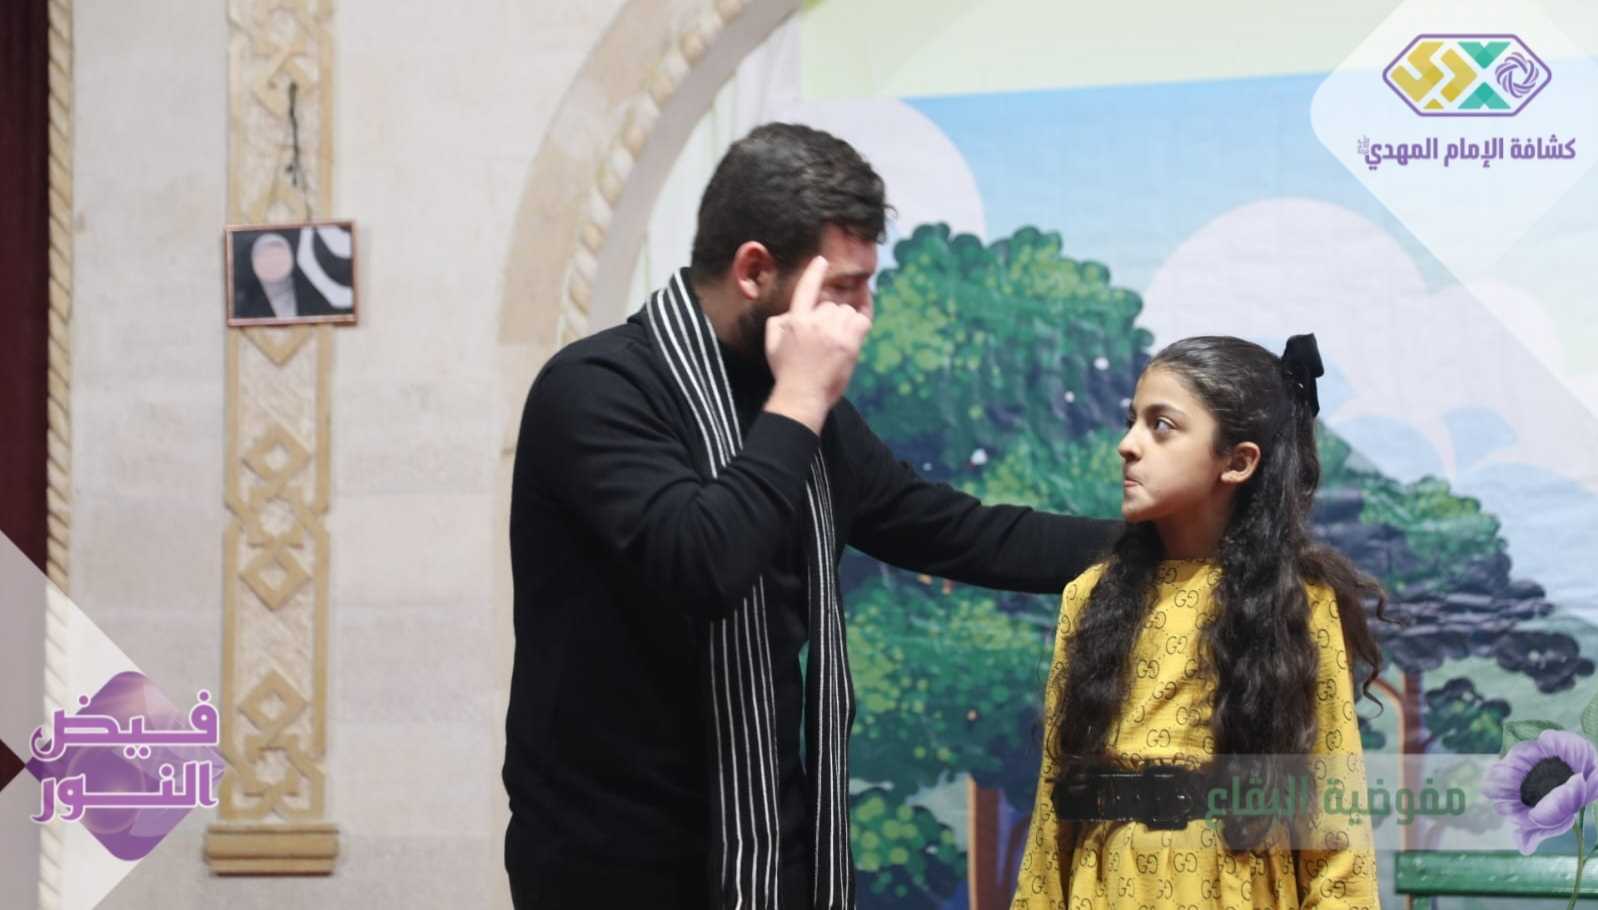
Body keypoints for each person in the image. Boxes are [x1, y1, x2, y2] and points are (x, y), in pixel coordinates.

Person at [503, 122, 1119, 909]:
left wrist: (1165, 542)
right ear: (755, 270)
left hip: (772, 851)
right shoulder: (597, 389)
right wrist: (799, 395)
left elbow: (954, 530)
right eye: (844, 289)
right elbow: (703, 563)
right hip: (610, 866)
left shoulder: (798, 406)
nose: (862, 317)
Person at [1012, 335, 1385, 909]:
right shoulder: (1090, 596)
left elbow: (1334, 819)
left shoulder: (1298, 604)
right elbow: (1053, 801)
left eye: (1161, 426)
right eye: (1132, 422)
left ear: (1237, 461)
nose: (1127, 445)